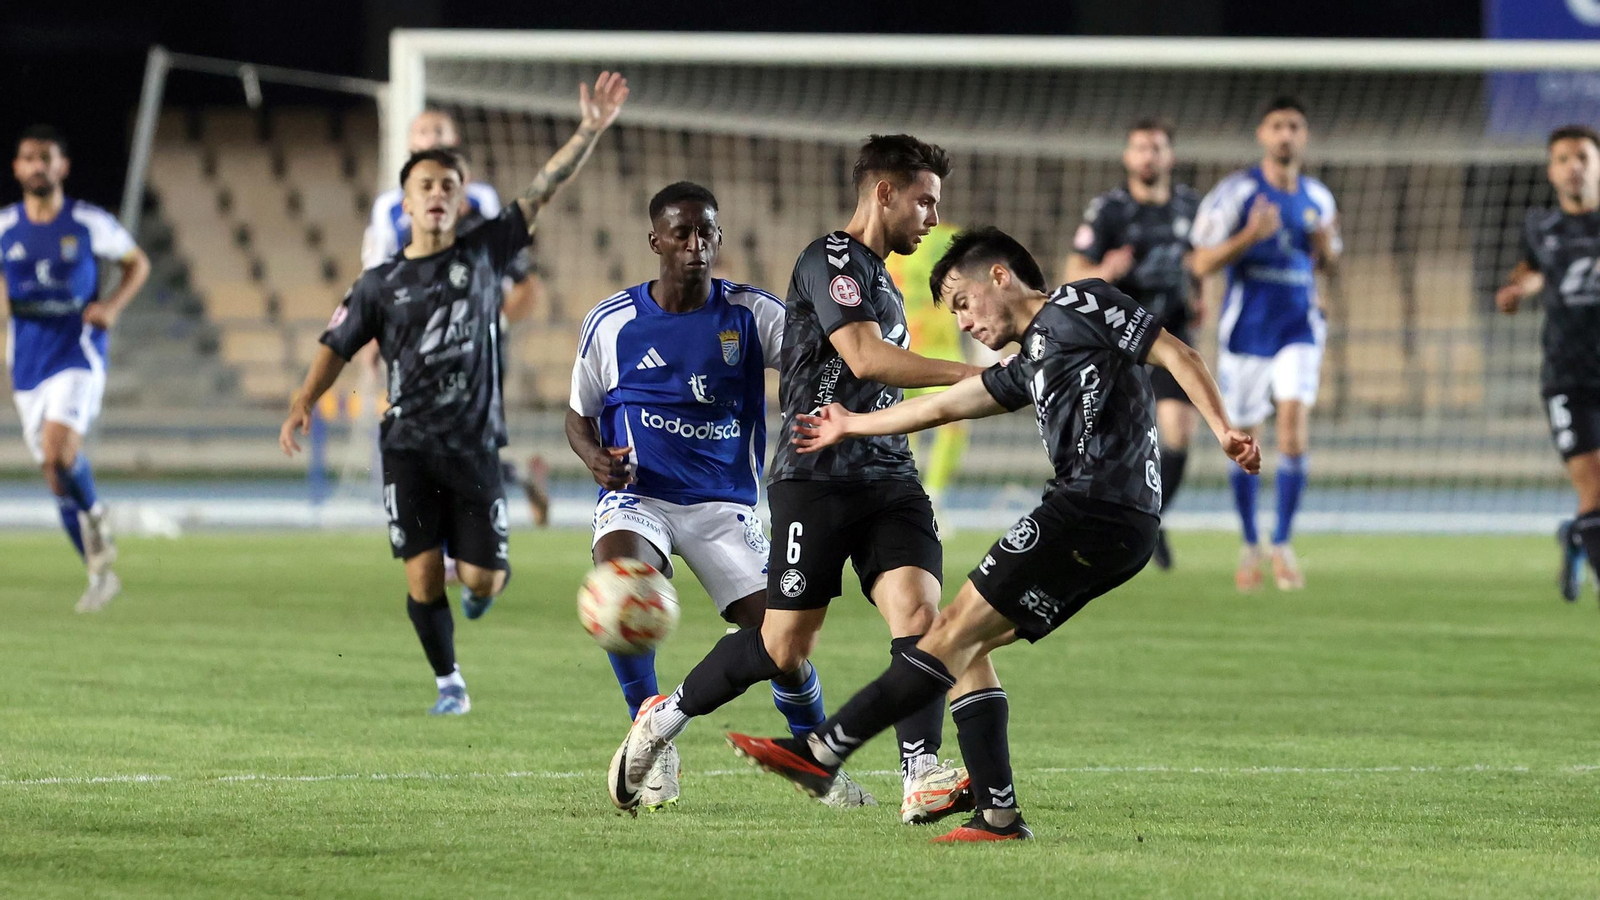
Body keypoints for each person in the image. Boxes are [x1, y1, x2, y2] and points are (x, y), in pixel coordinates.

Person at [727, 227, 1260, 842]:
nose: (963, 322)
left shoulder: (1082, 300)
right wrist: (851, 424)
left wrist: (1223, 429)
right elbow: (944, 406)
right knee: (964, 645)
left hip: (1092, 508)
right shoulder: (1029, 361)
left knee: (948, 629)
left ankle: (821, 753)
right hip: (1115, 523)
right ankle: (998, 816)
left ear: (1000, 276)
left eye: (963, 302)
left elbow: (1179, 354)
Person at [606, 134, 986, 825]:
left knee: (920, 617)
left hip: (889, 474)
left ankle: (921, 773)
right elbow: (865, 359)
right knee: (784, 646)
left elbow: (880, 384)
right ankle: (662, 719)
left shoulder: (885, 280)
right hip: (817, 477)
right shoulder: (830, 259)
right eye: (925, 201)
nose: (932, 218)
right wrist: (975, 375)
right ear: (884, 193)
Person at [280, 72, 629, 714]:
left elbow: (542, 190)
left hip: (473, 446)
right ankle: (449, 683)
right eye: (426, 187)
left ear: (462, 199)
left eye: (448, 186)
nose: (438, 194)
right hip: (408, 445)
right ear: (406, 204)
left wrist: (589, 130)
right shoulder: (379, 284)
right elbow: (336, 343)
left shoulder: (486, 251)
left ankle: (483, 583)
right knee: (420, 574)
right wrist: (304, 399)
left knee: (482, 579)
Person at [569, 181, 871, 810]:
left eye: (705, 232)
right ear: (655, 241)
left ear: (719, 237)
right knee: (621, 582)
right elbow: (579, 415)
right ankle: (650, 735)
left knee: (783, 642)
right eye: (680, 233)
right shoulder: (613, 323)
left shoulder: (753, 315)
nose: (695, 245)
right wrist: (595, 456)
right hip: (641, 497)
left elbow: (824, 361)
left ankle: (815, 761)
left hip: (724, 506)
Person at [359, 108, 551, 545]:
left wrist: (494, 323)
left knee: (455, 435)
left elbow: (510, 271)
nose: (431, 136)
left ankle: (458, 543)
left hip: (472, 339)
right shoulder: (389, 206)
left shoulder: (481, 200)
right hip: (414, 339)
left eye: (439, 130)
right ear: (410, 143)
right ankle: (507, 486)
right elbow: (376, 276)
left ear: (455, 142)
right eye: (423, 130)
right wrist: (372, 336)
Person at [1190, 96, 1339, 592]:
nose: (1286, 135)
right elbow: (1200, 262)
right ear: (1262, 134)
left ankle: (1282, 543)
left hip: (1299, 327)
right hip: (1248, 332)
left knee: (1293, 431)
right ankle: (1250, 542)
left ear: (1304, 135)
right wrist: (1250, 235)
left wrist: (1326, 252)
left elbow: (1329, 262)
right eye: (1277, 126)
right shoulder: (1237, 193)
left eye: (1294, 126)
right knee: (1246, 442)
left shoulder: (1318, 197)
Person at [2, 125, 150, 612]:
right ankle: (99, 572)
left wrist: (111, 307)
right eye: (29, 158)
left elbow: (138, 263)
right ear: (17, 168)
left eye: (46, 157)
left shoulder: (89, 222)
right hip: (27, 361)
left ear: (62, 166)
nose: (37, 166)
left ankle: (96, 513)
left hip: (77, 351)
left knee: (58, 451)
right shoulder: (4, 226)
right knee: (52, 471)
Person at [1066, 118, 1202, 570]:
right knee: (1112, 443)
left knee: (1178, 432)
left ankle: (1152, 517)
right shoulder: (1109, 210)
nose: (1148, 156)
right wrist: (1107, 269)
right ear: (1128, 156)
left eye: (1156, 147)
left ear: (1170, 156)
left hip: (1170, 335)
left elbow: (1202, 263)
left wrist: (1201, 297)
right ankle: (1107, 522)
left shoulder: (1190, 207)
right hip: (1119, 337)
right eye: (1141, 148)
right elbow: (1073, 274)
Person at [1495, 124, 1600, 604]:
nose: (1574, 166)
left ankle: (1577, 534)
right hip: (1568, 376)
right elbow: (1532, 270)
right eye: (1563, 159)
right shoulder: (1541, 227)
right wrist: (1518, 289)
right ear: (1551, 171)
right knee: (1593, 484)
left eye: (1583, 157)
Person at [887, 222, 970, 514]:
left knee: (955, 422)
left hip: (942, 350)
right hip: (900, 349)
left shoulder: (949, 239)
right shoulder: (885, 242)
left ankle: (935, 497)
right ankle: (904, 495)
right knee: (900, 428)